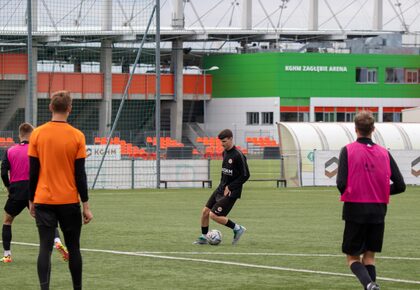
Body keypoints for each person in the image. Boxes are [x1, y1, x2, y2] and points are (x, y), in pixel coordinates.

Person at [28, 90, 93, 290]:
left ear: (50, 107)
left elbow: (33, 171)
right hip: (69, 202)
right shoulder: (77, 136)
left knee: (45, 248)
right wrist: (86, 205)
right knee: (73, 248)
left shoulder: (37, 133)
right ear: (69, 109)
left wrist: (31, 201)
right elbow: (80, 175)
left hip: (44, 200)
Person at [336, 111, 406, 290]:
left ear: (355, 129)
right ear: (373, 129)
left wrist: (352, 191)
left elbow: (341, 183)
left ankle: (368, 284)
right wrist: (379, 191)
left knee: (352, 258)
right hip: (378, 210)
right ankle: (370, 286)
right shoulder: (384, 153)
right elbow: (400, 185)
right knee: (369, 257)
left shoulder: (348, 150)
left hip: (355, 209)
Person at [1, 123, 68, 263]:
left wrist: (8, 187)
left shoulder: (10, 151)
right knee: (46, 219)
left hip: (16, 191)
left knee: (7, 221)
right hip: (35, 190)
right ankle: (57, 240)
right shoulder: (37, 150)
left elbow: (3, 173)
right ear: (33, 135)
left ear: (19, 135)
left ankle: (7, 255)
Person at [194, 129, 250, 245]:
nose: (222, 144)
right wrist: (223, 185)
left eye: (224, 141)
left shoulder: (238, 155)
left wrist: (230, 187)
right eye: (221, 142)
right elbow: (226, 172)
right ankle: (204, 237)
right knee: (205, 212)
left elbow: (246, 175)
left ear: (230, 139)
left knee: (214, 215)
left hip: (231, 191)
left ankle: (237, 228)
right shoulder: (224, 153)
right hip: (221, 188)